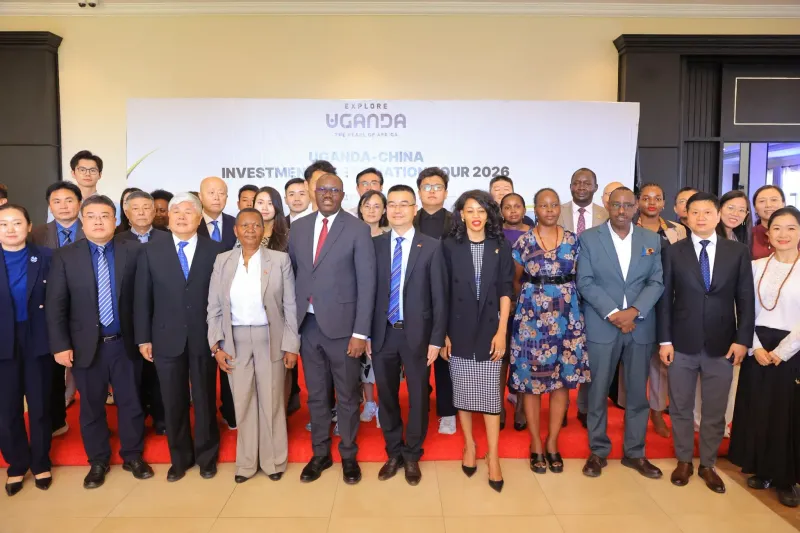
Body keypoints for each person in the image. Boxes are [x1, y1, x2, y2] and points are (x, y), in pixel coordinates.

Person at [46, 195, 153, 489]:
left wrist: (144, 338)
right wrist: (60, 344)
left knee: (131, 402)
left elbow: (143, 300)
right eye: (91, 216)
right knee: (91, 406)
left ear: (115, 221)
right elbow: (56, 305)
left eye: (105, 216)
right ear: (82, 221)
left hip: (125, 343)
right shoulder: (65, 256)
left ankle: (133, 455)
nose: (98, 222)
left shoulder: (134, 251)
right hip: (85, 346)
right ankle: (97, 460)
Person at [658, 192, 755, 494]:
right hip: (681, 343)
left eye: (707, 212)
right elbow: (665, 300)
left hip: (722, 345)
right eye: (695, 212)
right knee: (681, 406)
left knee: (715, 409)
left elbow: (746, 299)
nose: (701, 218)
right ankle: (684, 460)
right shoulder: (673, 251)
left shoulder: (737, 252)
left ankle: (708, 464)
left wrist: (742, 340)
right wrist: (665, 340)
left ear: (717, 215)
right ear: (685, 216)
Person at [288, 172, 376, 485]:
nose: (327, 194)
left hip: (344, 329)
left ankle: (349, 455)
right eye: (322, 189)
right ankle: (320, 453)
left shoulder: (357, 229)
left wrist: (360, 333)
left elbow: (367, 283)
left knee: (348, 395)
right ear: (314, 192)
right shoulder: (298, 228)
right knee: (316, 394)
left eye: (334, 190)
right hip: (307, 325)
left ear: (342, 194)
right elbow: (293, 276)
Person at [134, 192, 225, 482]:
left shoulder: (217, 251)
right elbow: (142, 298)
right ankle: (180, 458)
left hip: (204, 336)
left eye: (189, 212)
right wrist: (143, 338)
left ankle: (207, 457)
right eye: (176, 212)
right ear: (168, 218)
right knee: (172, 401)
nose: (182, 217)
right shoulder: (150, 251)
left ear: (199, 218)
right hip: (165, 337)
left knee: (205, 398)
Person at [207, 208, 300, 483]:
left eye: (256, 225)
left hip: (270, 338)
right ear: (235, 230)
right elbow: (213, 307)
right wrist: (216, 345)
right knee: (243, 400)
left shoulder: (279, 260)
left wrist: (291, 345)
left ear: (264, 230)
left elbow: (290, 306)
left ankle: (273, 461)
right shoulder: (223, 261)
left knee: (272, 401)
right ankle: (246, 463)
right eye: (244, 225)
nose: (250, 230)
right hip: (234, 340)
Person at [577, 186, 664, 480]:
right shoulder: (590, 238)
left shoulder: (651, 239)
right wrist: (615, 314)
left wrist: (634, 311)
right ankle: (598, 451)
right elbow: (585, 282)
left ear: (636, 207)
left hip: (640, 326)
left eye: (628, 205)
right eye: (616, 205)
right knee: (598, 392)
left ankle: (635, 452)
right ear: (608, 206)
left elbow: (656, 282)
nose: (622, 210)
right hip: (603, 325)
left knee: (638, 394)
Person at [368, 185, 447, 485]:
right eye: (392, 204)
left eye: (404, 204)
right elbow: (368, 293)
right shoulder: (375, 245)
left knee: (418, 396)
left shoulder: (432, 246)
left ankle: (412, 454)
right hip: (382, 333)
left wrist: (436, 339)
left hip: (418, 334)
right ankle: (393, 452)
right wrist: (365, 334)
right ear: (386, 209)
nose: (397, 209)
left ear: (415, 209)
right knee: (386, 395)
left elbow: (440, 297)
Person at [510, 188, 589, 475]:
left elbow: (581, 276)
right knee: (532, 384)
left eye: (554, 204)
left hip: (568, 318)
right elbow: (516, 280)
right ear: (536, 209)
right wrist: (531, 303)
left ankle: (552, 441)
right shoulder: (524, 241)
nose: (550, 209)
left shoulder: (573, 240)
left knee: (561, 382)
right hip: (531, 321)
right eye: (544, 205)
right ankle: (535, 442)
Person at [441, 190, 513, 492]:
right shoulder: (449, 246)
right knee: (463, 390)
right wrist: (443, 334)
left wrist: (502, 330)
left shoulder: (500, 245)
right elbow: (442, 292)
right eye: (470, 210)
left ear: (488, 215)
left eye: (481, 210)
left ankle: (493, 456)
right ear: (461, 214)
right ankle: (469, 444)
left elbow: (506, 289)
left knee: (491, 395)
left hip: (490, 328)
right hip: (458, 327)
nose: (475, 216)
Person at [729, 206, 800, 508]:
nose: (783, 234)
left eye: (791, 228)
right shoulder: (755, 266)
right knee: (757, 408)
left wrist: (783, 351)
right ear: (767, 233)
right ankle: (762, 469)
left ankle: (787, 478)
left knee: (787, 413)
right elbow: (743, 309)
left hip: (792, 349)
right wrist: (754, 345)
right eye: (777, 228)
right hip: (757, 346)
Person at [0, 204, 54, 496]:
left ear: (29, 226)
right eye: (3, 224)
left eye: (17, 223)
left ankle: (41, 461)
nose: (10, 229)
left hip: (37, 338)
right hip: (2, 341)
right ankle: (17, 463)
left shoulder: (46, 257)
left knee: (40, 404)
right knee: (6, 408)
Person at [695, 189, 752, 437]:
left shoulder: (740, 243)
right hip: (705, 318)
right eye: (730, 207)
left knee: (729, 374)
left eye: (742, 210)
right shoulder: (704, 239)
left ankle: (721, 422)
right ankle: (700, 421)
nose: (735, 213)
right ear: (719, 211)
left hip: (734, 316)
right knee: (703, 374)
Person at [31, 181, 85, 437]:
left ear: (79, 203)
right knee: (51, 371)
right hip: (48, 313)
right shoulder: (36, 234)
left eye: (69, 200)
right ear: (49, 206)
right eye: (57, 201)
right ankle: (57, 421)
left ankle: (95, 424)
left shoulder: (95, 228)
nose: (63, 206)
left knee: (91, 370)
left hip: (87, 312)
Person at [556, 168, 609, 427]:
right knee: (561, 348)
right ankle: (560, 407)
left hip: (597, 290)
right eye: (576, 182)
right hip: (562, 290)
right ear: (570, 186)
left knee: (591, 350)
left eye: (587, 183)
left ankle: (586, 407)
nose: (581, 187)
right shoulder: (556, 211)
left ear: (595, 187)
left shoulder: (607, 215)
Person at [635, 182, 687, 438]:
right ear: (638, 202)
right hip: (636, 301)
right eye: (646, 198)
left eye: (657, 198)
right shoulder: (628, 228)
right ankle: (633, 410)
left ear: (664, 203)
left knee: (661, 361)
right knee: (635, 362)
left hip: (668, 300)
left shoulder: (678, 231)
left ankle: (657, 410)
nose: (651, 202)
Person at [116, 190, 166, 435]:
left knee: (158, 369)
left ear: (154, 211)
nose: (142, 213)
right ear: (127, 213)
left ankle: (161, 417)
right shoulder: (117, 240)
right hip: (126, 313)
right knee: (132, 370)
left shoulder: (167, 238)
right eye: (136, 208)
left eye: (147, 208)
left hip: (161, 313)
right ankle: (137, 418)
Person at [413, 167, 457, 435]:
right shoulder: (408, 219)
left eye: (437, 187)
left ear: (445, 192)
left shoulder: (457, 222)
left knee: (444, 356)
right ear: (419, 191)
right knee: (417, 357)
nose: (432, 191)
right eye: (427, 187)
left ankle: (447, 411)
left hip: (448, 296)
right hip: (416, 299)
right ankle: (419, 407)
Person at [196, 176, 237, 429]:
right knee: (204, 366)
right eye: (211, 192)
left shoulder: (236, 224)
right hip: (199, 303)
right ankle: (207, 417)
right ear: (200, 196)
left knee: (230, 360)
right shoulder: (191, 223)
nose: (216, 197)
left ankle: (231, 412)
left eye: (221, 193)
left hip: (232, 305)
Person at [357, 190, 390, 424]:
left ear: (384, 210)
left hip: (386, 307)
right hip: (358, 305)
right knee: (363, 358)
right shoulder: (351, 236)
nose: (371, 210)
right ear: (360, 208)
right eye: (367, 205)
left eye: (377, 206)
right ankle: (369, 402)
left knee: (384, 357)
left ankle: (386, 405)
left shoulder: (390, 237)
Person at [499, 192, 530, 431]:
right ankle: (497, 405)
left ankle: (520, 406)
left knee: (523, 357)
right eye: (507, 207)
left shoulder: (534, 234)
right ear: (501, 211)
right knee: (501, 355)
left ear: (524, 209)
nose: (512, 211)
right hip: (499, 301)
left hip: (528, 302)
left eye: (517, 206)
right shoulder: (494, 234)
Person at [48, 151, 120, 225]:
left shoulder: (113, 206)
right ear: (73, 173)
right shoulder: (59, 204)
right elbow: (52, 229)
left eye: (92, 170)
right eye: (82, 170)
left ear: (100, 175)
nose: (87, 174)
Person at [751, 185, 786, 260]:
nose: (768, 205)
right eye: (762, 201)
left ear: (783, 204)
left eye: (774, 200)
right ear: (755, 208)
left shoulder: (796, 233)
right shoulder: (748, 235)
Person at [251, 187, 289, 252]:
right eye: (260, 203)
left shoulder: (288, 235)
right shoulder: (245, 232)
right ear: (253, 205)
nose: (265, 208)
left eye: (270, 203)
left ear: (277, 206)